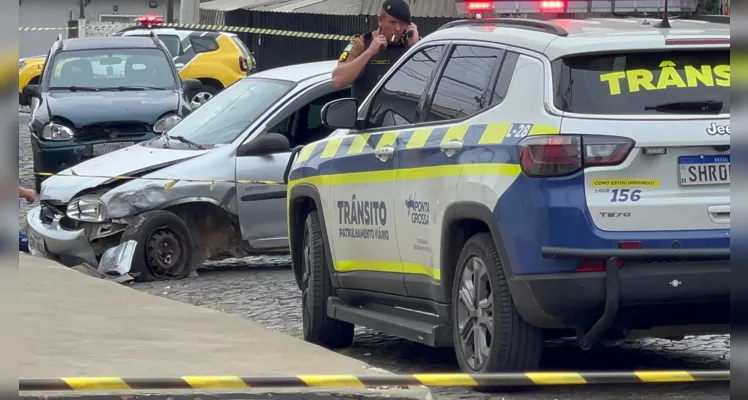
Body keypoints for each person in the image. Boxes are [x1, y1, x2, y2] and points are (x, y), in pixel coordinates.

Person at [331, 0, 420, 104]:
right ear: (380, 20)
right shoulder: (362, 43)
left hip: (403, 117)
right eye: (393, 22)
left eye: (402, 23)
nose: (397, 28)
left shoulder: (416, 44)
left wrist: (415, 47)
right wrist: (369, 52)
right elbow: (337, 81)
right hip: (368, 117)